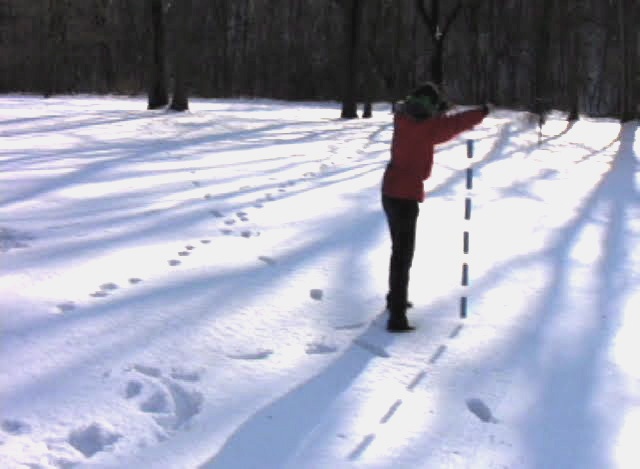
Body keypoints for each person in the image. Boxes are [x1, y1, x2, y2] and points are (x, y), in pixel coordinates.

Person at [382, 82, 488, 332]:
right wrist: (482, 111)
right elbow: (455, 124)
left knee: (398, 250)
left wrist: (436, 108)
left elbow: (427, 115)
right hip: (405, 196)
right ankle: (397, 317)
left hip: (389, 190)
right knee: (403, 255)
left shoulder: (401, 117)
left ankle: (393, 299)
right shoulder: (430, 127)